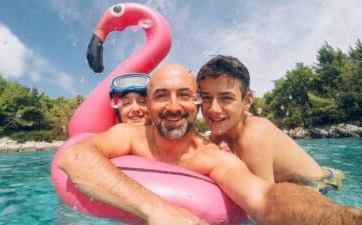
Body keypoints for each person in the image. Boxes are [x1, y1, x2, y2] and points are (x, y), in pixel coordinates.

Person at [58, 64, 361, 225]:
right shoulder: (130, 136)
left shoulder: (214, 157)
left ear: (197, 103)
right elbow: (75, 157)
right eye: (162, 95)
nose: (173, 106)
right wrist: (156, 209)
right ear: (149, 105)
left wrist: (346, 218)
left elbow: (266, 199)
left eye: (184, 95)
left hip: (322, 182)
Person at [197, 55, 344, 194]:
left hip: (321, 185)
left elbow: (263, 205)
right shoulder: (221, 133)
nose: (213, 109)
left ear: (247, 101)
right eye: (206, 98)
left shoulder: (253, 137)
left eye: (226, 98)